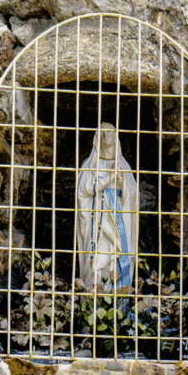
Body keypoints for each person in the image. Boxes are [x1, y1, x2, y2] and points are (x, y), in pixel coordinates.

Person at [75, 121, 137, 294]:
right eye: (101, 133)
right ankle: (95, 295)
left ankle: (120, 299)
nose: (105, 136)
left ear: (115, 137)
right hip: (97, 215)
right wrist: (109, 179)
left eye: (109, 132)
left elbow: (132, 194)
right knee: (97, 254)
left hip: (118, 216)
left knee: (120, 252)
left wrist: (122, 181)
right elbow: (84, 191)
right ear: (96, 138)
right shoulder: (90, 165)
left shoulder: (123, 165)